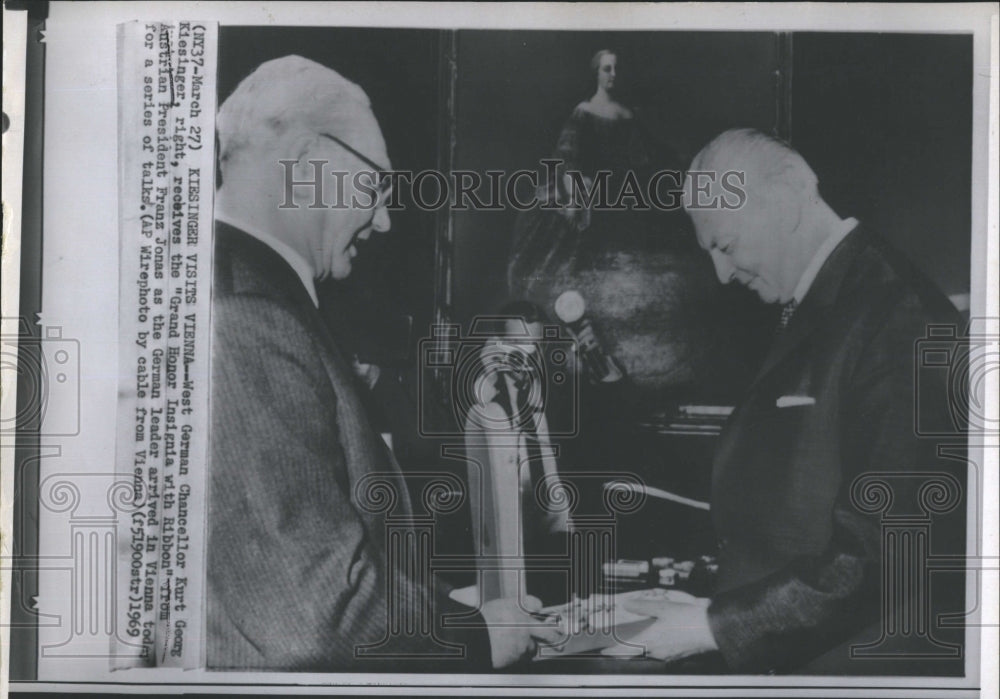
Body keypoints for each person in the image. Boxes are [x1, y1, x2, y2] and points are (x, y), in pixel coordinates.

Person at [207, 55, 561, 672]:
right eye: (377, 186)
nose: (385, 219)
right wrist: (476, 634)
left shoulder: (244, 291)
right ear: (314, 164)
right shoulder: (246, 313)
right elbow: (311, 615)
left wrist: (447, 610)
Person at [616, 128, 965, 673]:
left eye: (725, 246)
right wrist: (713, 605)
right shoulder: (834, 298)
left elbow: (886, 551)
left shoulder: (898, 314)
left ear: (785, 201)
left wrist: (713, 625)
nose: (722, 274)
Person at [506, 49, 704, 397]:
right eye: (606, 69)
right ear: (596, 73)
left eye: (616, 69)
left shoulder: (629, 114)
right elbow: (566, 156)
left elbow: (652, 151)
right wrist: (574, 191)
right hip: (598, 199)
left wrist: (679, 162)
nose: (612, 75)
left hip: (628, 196)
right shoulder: (584, 112)